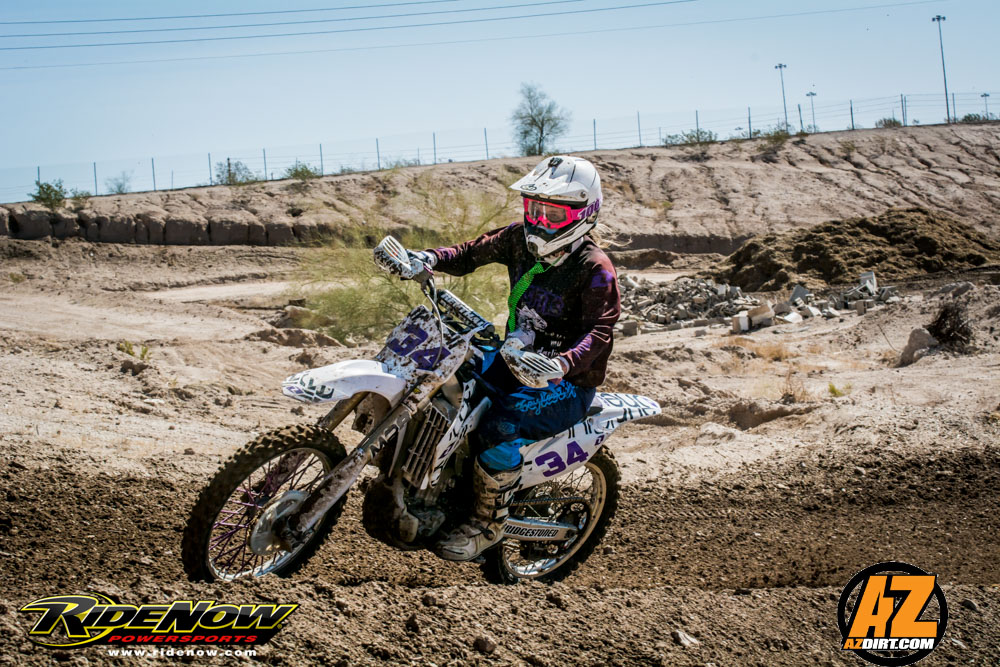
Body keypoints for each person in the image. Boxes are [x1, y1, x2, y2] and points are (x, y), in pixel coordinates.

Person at [411, 155, 621, 561]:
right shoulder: (518, 240)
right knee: (450, 378)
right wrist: (429, 258)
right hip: (514, 360)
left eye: (553, 213)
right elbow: (469, 252)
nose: (539, 221)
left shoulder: (595, 268)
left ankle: (487, 524)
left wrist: (562, 363)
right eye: (534, 209)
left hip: (565, 383)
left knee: (500, 424)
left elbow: (599, 333)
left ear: (584, 212)